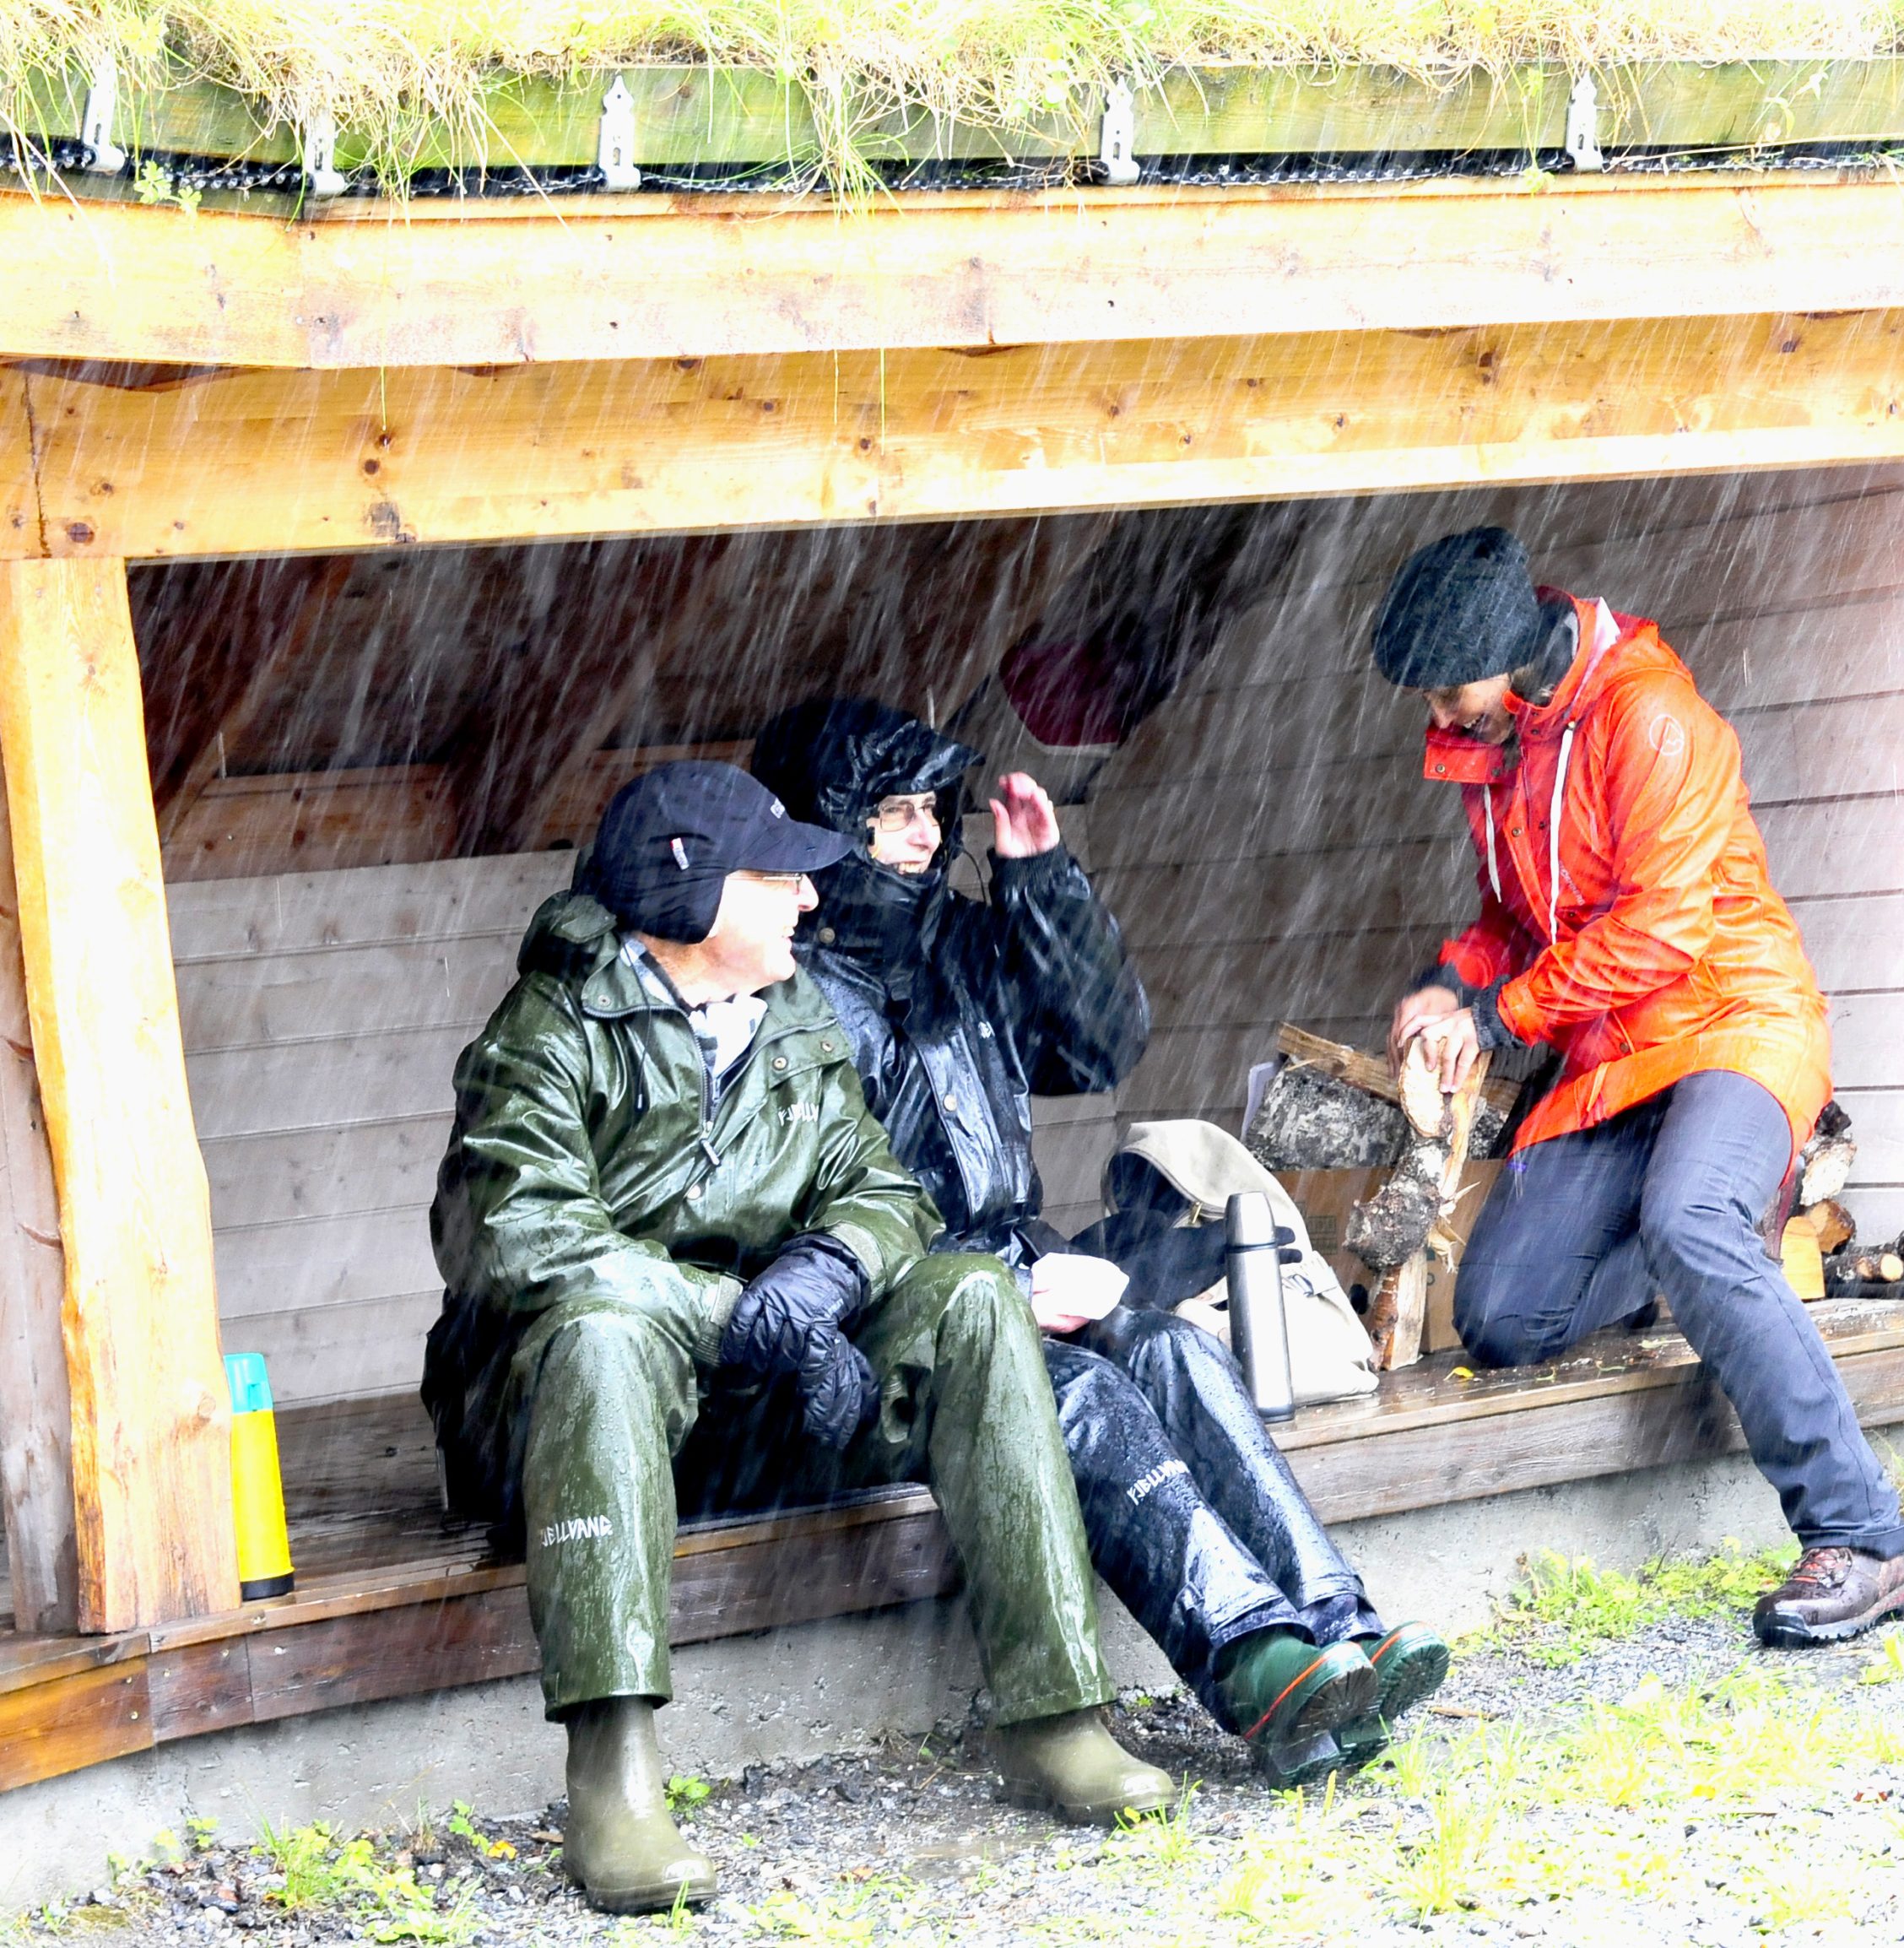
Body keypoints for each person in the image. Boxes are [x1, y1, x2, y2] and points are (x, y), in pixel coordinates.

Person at [421, 761, 1176, 1915]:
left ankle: (1056, 1716)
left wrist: (826, 1275)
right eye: (778, 879)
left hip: (753, 1405)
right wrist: (742, 1317)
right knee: (603, 1337)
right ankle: (614, 1779)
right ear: (691, 895)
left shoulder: (790, 1012)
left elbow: (880, 1187)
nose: (812, 900)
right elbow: (520, 1239)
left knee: (975, 1297)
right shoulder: (548, 1031)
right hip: (572, 1417)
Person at [749, 698, 1451, 1788]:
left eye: (934, 808)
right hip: (878, 1326)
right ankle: (1256, 1665)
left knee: (1173, 1349)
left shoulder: (957, 943)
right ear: (830, 826)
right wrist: (984, 1293)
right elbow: (794, 1230)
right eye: (894, 814)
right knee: (1079, 1391)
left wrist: (1041, 883)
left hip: (1005, 1264)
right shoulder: (775, 987)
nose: (928, 833)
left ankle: (1336, 1631)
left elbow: (1100, 1044)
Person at [1371, 526, 1904, 1648]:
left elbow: (1659, 931)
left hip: (1731, 1026)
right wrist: (1450, 984)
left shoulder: (1651, 716)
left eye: (1445, 690)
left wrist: (1498, 1017)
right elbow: (1511, 918)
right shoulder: (1508, 742)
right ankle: (1705, 1243)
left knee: (1691, 1220)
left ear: (1507, 655)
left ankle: (1862, 1535)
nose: (1437, 715)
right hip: (1613, 1064)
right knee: (1503, 1315)